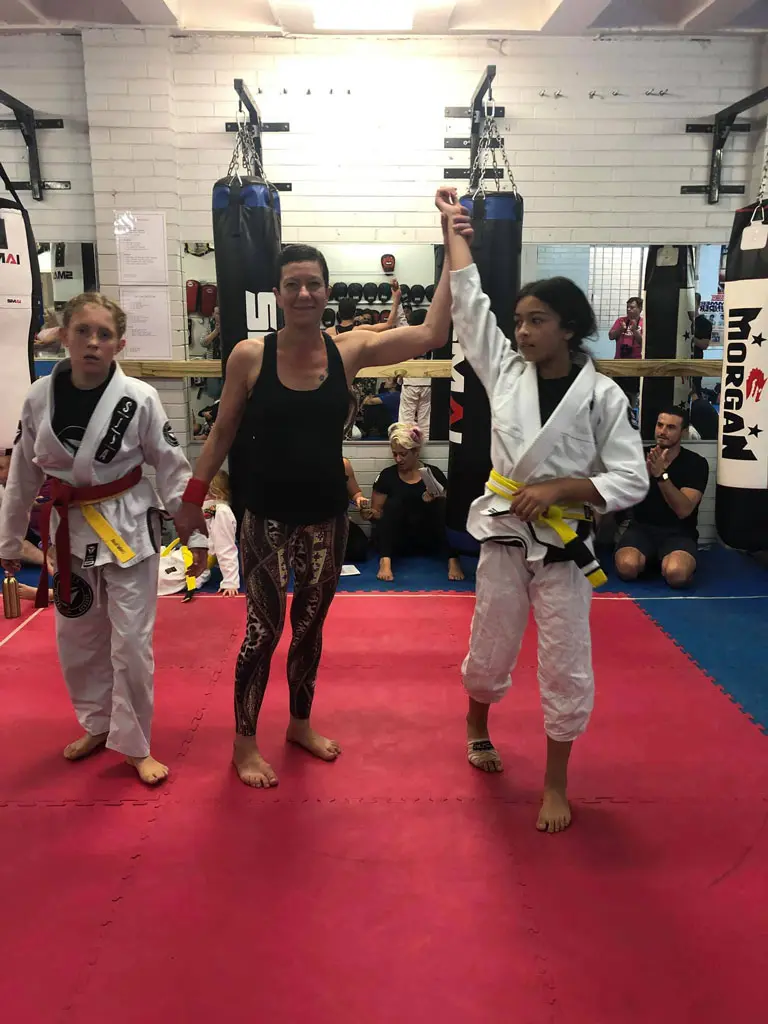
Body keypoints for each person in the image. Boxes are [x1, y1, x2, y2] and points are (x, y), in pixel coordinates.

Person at [175, 242, 452, 790]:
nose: (304, 293)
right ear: (277, 295)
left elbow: (431, 335)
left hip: (327, 516)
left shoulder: (347, 350)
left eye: (313, 284)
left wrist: (452, 246)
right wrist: (192, 498)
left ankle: (299, 724)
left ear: (326, 291)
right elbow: (223, 430)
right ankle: (244, 742)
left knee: (309, 628)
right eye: (293, 284)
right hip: (265, 517)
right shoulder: (249, 357)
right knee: (263, 630)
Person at [435, 187, 648, 833]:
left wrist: (561, 490)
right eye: (520, 320)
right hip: (503, 535)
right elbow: (470, 305)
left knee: (564, 664)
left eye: (536, 320)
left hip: (562, 549)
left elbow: (630, 477)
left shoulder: (602, 396)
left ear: (569, 327)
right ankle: (477, 722)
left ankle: (555, 782)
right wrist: (453, 229)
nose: (522, 331)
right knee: (489, 650)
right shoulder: (503, 372)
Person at [0, 293, 205, 785]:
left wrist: (193, 534)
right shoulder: (36, 397)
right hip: (68, 532)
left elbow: (172, 468)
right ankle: (97, 725)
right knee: (77, 639)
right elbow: (22, 479)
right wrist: (9, 542)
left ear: (120, 344)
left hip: (129, 527)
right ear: (64, 335)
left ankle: (135, 744)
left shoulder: (139, 397)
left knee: (132, 643)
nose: (93, 342)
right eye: (83, 331)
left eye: (104, 334)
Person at [615, 406, 708, 588]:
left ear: (684, 432)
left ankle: (666, 560)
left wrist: (661, 476)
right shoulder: (639, 457)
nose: (663, 431)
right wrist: (644, 477)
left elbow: (683, 510)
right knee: (627, 567)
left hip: (679, 532)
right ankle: (650, 559)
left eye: (671, 427)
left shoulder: (696, 463)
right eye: (660, 425)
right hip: (641, 529)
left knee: (677, 575)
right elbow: (621, 498)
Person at [369, 422, 463, 582]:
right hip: (397, 541)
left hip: (427, 540)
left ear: (416, 452)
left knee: (442, 506)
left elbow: (451, 512)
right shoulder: (387, 476)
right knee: (393, 504)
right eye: (395, 454)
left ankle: (453, 560)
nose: (398, 459)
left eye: (403, 454)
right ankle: (385, 562)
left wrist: (436, 497)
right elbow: (376, 515)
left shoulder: (433, 474)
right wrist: (368, 512)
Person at [398, 308, 433, 439]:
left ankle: (403, 449)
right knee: (425, 423)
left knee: (405, 423)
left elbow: (400, 319)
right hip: (427, 383)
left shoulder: (407, 334)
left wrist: (396, 298)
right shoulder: (432, 336)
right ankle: (425, 452)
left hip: (410, 382)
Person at [609, 297, 643, 402]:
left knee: (632, 396)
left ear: (640, 309)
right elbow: (611, 336)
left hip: (636, 366)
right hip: (619, 364)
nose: (629, 309)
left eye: (632, 307)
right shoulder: (621, 321)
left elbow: (643, 342)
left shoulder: (643, 322)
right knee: (616, 396)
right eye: (627, 307)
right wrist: (621, 329)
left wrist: (634, 331)